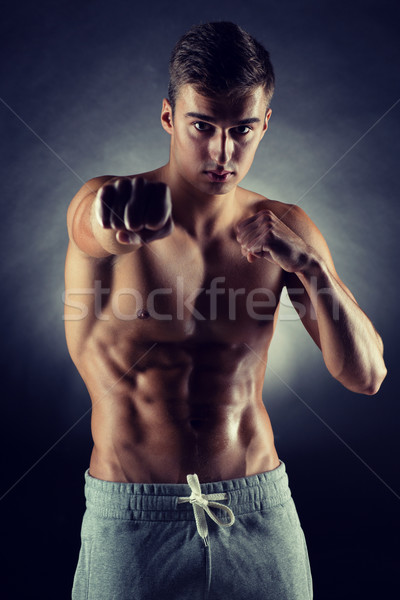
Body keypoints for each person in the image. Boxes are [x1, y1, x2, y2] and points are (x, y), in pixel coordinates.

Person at [65, 21, 386, 600]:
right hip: (134, 522)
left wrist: (310, 266)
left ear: (264, 124)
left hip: (257, 508)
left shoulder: (287, 228)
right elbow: (90, 228)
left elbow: (366, 376)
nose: (221, 152)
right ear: (169, 117)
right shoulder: (112, 200)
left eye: (241, 130)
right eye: (202, 126)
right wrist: (110, 219)